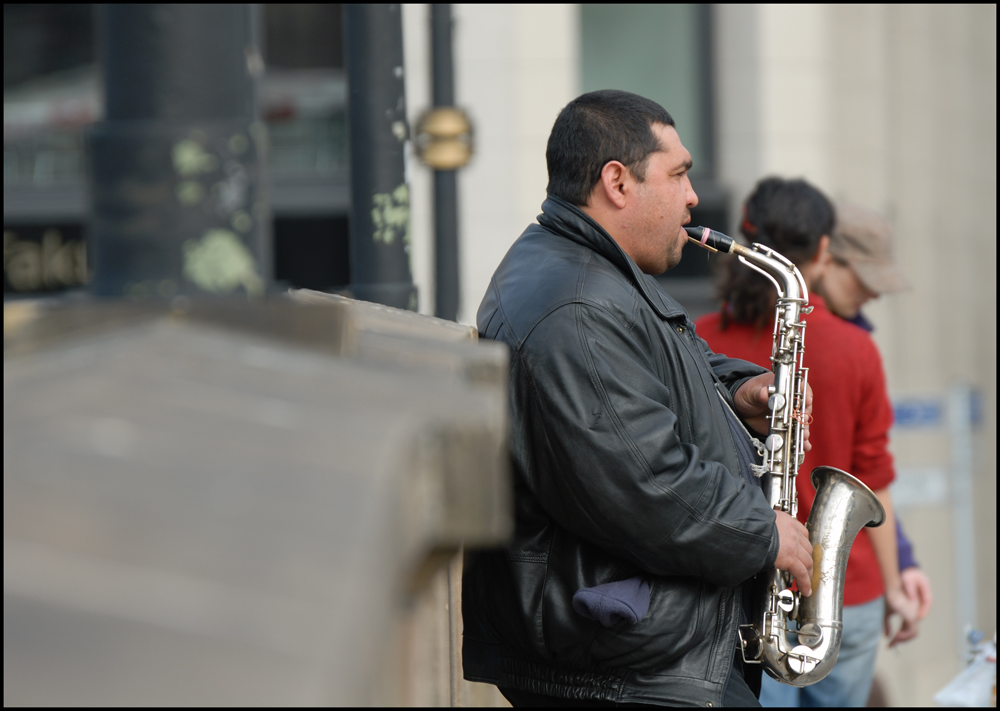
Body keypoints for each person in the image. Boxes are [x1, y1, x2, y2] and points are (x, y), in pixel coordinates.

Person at [461, 90, 815, 708]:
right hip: (621, 656)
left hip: (629, 638)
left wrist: (739, 389)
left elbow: (668, 368)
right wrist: (762, 531)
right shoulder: (578, 304)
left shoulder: (589, 272)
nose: (693, 197)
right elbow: (644, 485)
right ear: (617, 183)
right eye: (678, 174)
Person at [694, 180, 931, 707]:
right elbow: (875, 477)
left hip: (747, 590)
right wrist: (898, 581)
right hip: (845, 592)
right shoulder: (856, 348)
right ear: (823, 253)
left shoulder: (697, 339)